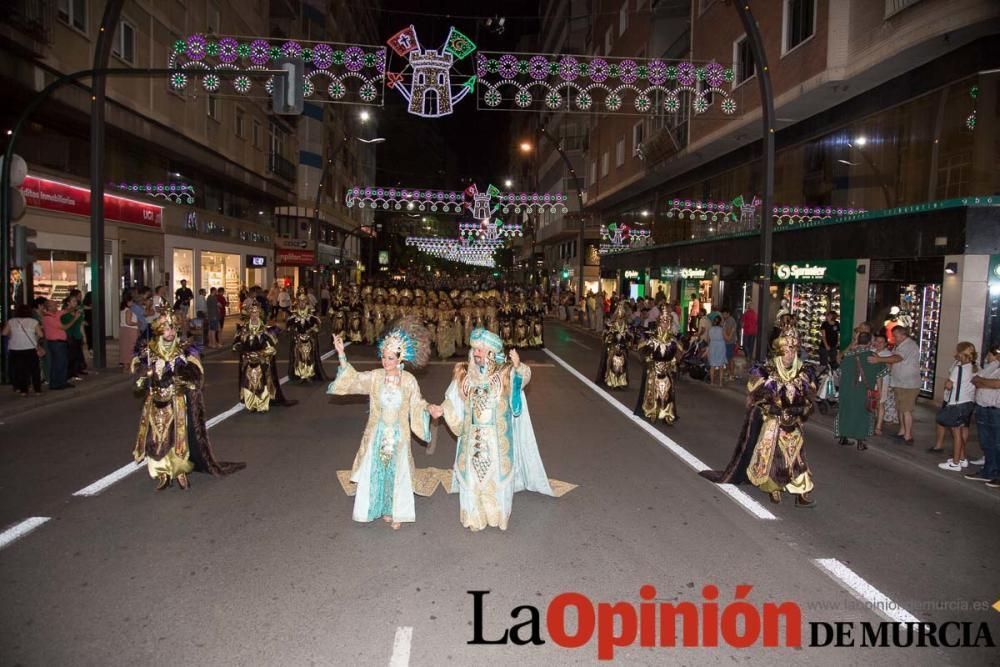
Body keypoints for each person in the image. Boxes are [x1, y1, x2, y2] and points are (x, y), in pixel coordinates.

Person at [440, 328, 557, 531]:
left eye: (481, 350)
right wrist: (441, 409)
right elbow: (451, 400)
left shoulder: (504, 374)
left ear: (492, 353)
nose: (476, 353)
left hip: (497, 440)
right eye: (474, 349)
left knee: (496, 479)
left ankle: (496, 517)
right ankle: (474, 518)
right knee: (473, 479)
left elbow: (523, 377)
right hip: (472, 439)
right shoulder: (464, 375)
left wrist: (519, 366)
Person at [328, 320, 437, 529]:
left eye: (390, 358)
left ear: (399, 359)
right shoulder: (376, 377)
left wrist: (428, 408)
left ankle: (396, 511)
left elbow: (417, 403)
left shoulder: (409, 380)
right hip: (377, 433)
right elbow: (354, 379)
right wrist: (341, 354)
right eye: (383, 357)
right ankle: (376, 508)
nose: (385, 362)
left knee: (397, 472)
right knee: (377, 470)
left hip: (399, 434)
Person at [700, 324, 817, 508]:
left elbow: (810, 397)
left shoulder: (804, 372)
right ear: (779, 350)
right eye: (786, 350)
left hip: (793, 423)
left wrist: (802, 409)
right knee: (776, 457)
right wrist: (770, 407)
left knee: (798, 457)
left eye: (793, 350)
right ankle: (774, 487)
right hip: (773, 422)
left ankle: (802, 491)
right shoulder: (766, 371)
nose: (790, 355)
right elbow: (755, 396)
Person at [132, 308, 245, 491]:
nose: (170, 333)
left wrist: (181, 379)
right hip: (156, 404)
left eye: (172, 328)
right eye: (166, 329)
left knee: (178, 437)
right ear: (159, 331)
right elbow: (138, 376)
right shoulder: (149, 353)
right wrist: (144, 376)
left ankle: (180, 471)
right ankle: (163, 473)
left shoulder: (185, 351)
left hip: (177, 402)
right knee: (158, 438)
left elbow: (197, 376)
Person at [233, 301, 297, 412]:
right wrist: (245, 353)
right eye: (252, 313)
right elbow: (235, 345)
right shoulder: (243, 330)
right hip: (248, 361)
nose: (254, 315)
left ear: (260, 314)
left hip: (261, 361)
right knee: (249, 383)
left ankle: (262, 404)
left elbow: (272, 349)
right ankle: (251, 404)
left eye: (256, 313)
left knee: (262, 383)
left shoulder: (266, 330)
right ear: (249, 314)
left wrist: (261, 354)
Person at [868, 326, 920, 445]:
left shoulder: (908, 345)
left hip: (908, 384)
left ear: (903, 335)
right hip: (901, 383)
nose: (894, 338)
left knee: (906, 410)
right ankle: (902, 432)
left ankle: (908, 436)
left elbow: (898, 358)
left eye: (895, 336)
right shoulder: (901, 345)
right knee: (901, 409)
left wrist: (880, 359)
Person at [835, 332, 886, 450]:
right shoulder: (873, 357)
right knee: (863, 413)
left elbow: (839, 372)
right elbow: (880, 375)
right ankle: (860, 442)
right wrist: (879, 392)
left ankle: (843, 437)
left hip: (846, 390)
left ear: (858, 341)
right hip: (863, 391)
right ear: (869, 342)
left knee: (846, 411)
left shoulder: (848, 355)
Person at [633, 311, 683, 425]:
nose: (665, 324)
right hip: (654, 369)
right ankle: (653, 410)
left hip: (666, 370)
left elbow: (680, 351)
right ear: (659, 323)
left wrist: (674, 361)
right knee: (653, 391)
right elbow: (640, 347)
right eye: (663, 322)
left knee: (667, 393)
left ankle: (667, 413)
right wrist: (648, 358)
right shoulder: (653, 339)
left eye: (667, 322)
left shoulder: (672, 341)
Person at [935, 342, 978, 472]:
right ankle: (962, 458)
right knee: (960, 430)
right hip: (968, 402)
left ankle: (955, 462)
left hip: (957, 403)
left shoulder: (959, 368)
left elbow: (949, 385)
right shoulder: (974, 368)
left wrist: (946, 383)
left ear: (961, 353)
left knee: (956, 433)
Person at [967, 344, 1000, 487]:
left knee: (998, 443)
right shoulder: (992, 366)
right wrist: (988, 384)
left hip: (996, 410)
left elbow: (997, 384)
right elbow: (975, 380)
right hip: (982, 408)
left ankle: (997, 473)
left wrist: (984, 383)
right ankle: (988, 471)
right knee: (987, 443)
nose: (993, 355)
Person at [3, 304, 44, 396]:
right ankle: (37, 389)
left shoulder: (11, 321)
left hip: (15, 349)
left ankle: (23, 390)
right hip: (30, 348)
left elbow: (4, 333)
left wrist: (12, 334)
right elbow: (41, 335)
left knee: (20, 370)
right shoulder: (33, 321)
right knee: (34, 370)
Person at [286, 294, 325, 382]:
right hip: (298, 340)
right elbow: (288, 327)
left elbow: (317, 325)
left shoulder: (311, 316)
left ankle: (309, 374)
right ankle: (300, 374)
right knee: (298, 357)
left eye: (304, 301)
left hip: (309, 340)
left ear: (306, 302)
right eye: (300, 301)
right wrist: (295, 332)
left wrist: (311, 331)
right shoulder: (294, 316)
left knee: (309, 357)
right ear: (298, 303)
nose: (302, 303)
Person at [596, 303, 633, 389]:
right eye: (619, 318)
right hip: (613, 347)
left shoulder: (626, 326)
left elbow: (629, 336)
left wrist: (628, 336)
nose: (620, 320)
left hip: (622, 348)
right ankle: (609, 378)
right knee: (610, 360)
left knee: (624, 363)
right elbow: (607, 335)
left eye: (622, 318)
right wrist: (611, 336)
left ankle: (622, 382)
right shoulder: (612, 325)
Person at [872, 333, 898, 436]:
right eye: (877, 341)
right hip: (870, 382)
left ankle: (878, 426)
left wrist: (878, 358)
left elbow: (889, 368)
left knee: (880, 403)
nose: (878, 344)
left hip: (883, 382)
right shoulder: (871, 351)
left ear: (885, 344)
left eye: (881, 342)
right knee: (871, 404)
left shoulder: (888, 354)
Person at [42, 300, 71, 390]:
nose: (56, 306)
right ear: (49, 307)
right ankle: (56, 384)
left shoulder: (56, 314)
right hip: (56, 343)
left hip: (60, 342)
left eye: (56, 305)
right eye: (54, 305)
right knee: (58, 363)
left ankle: (61, 382)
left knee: (62, 363)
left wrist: (71, 306)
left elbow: (66, 311)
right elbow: (64, 327)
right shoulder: (48, 318)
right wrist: (75, 318)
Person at [119, 292, 140, 370]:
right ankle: (130, 365)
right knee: (131, 347)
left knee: (124, 347)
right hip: (131, 330)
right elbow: (129, 322)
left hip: (123, 329)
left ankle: (125, 365)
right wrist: (137, 323)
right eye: (131, 301)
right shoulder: (129, 310)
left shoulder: (122, 310)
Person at [707, 314, 727, 386]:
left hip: (712, 346)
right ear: (720, 322)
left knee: (712, 366)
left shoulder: (710, 329)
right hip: (721, 346)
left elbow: (708, 339)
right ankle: (720, 383)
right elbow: (726, 338)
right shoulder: (722, 329)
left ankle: (712, 382)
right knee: (721, 366)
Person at [722, 307, 738, 379]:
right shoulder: (727, 320)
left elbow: (728, 333)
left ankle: (731, 373)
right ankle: (729, 372)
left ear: (728, 313)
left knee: (730, 358)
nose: (723, 315)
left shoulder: (730, 320)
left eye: (724, 314)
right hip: (729, 342)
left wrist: (724, 333)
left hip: (730, 342)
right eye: (723, 314)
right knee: (729, 358)